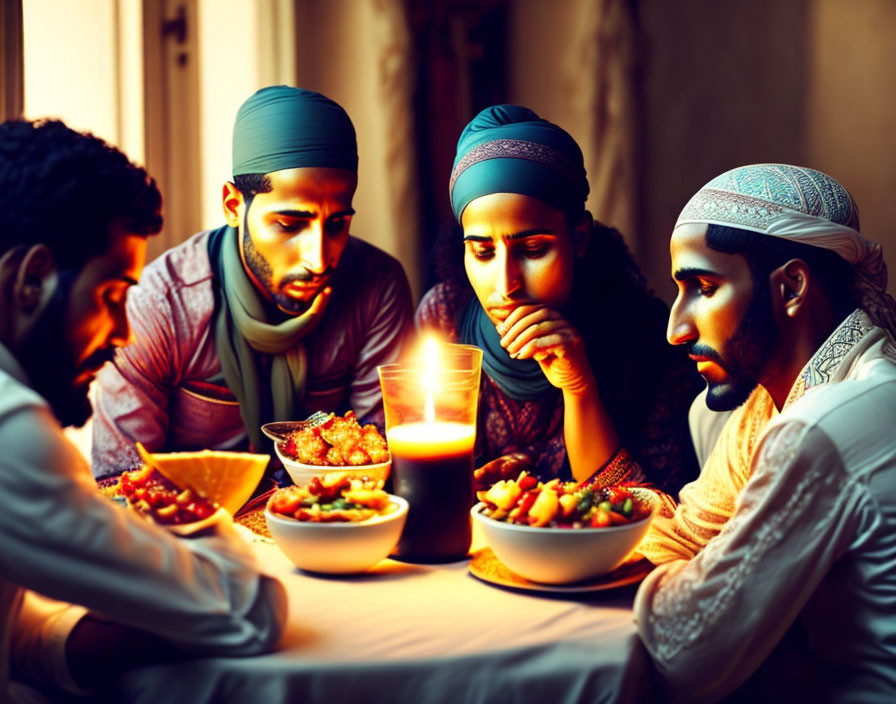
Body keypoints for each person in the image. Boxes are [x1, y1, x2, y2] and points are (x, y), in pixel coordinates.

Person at [0, 119, 286, 702]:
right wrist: (188, 506)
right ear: (30, 281)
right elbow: (252, 608)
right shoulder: (11, 431)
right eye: (110, 296)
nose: (125, 332)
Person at [634, 163, 896, 702]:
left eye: (703, 287)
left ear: (792, 287)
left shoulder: (825, 424)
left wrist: (604, 543)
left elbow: (685, 653)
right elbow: (691, 535)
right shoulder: (764, 406)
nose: (676, 329)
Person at [91, 86, 414, 480]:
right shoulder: (159, 306)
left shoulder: (377, 288)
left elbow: (380, 463)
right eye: (289, 225)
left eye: (337, 224)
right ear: (232, 206)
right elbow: (120, 486)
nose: (319, 258)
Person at [417, 105, 701, 494]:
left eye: (533, 250)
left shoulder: (647, 337)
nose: (506, 284)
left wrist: (579, 388)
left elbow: (656, 520)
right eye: (482, 252)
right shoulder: (444, 316)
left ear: (579, 238)